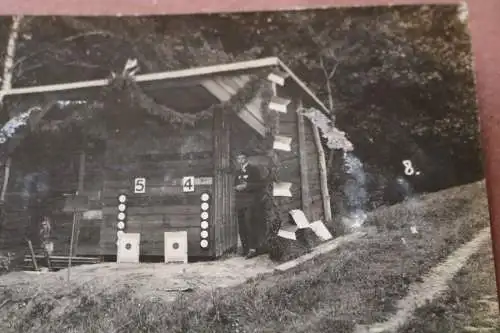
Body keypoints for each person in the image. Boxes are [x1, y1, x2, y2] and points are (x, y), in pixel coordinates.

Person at [234, 152, 265, 259]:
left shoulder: (254, 170)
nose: (240, 160)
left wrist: (248, 186)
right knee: (241, 226)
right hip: (240, 202)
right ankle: (245, 249)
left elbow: (261, 185)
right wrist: (237, 187)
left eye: (242, 158)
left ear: (246, 158)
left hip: (251, 202)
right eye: (238, 158)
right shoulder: (237, 171)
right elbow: (235, 184)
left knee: (249, 224)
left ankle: (253, 249)